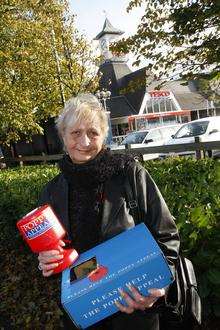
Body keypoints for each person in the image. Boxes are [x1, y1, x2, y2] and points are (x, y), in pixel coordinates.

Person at [37, 93, 180, 329]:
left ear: (104, 135)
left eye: (93, 132)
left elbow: (167, 236)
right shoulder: (52, 192)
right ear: (63, 136)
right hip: (83, 316)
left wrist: (158, 288)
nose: (84, 142)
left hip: (134, 312)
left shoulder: (130, 175)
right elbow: (56, 259)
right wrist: (45, 263)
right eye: (75, 133)